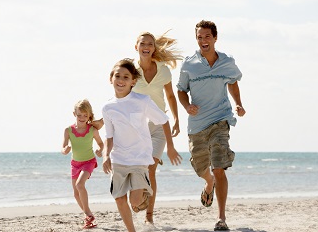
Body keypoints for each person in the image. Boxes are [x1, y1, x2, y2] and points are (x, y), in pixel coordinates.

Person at [176, 20, 246, 231]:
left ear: (215, 38)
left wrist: (239, 104)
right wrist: (187, 105)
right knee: (200, 168)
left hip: (220, 120)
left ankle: (221, 218)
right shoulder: (189, 64)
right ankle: (209, 184)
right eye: (200, 37)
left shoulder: (227, 62)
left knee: (219, 167)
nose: (203, 40)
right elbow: (180, 89)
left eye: (207, 36)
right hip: (197, 124)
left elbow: (233, 81)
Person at [102, 59, 182, 232]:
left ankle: (143, 194)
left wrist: (170, 146)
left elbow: (163, 121)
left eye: (125, 77)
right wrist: (106, 155)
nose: (121, 80)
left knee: (135, 203)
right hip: (119, 159)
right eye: (117, 76)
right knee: (118, 198)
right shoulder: (108, 107)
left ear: (133, 81)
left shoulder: (142, 101)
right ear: (111, 79)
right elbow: (109, 136)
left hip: (139, 159)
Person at [132, 31, 182, 224]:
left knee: (151, 167)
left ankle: (149, 216)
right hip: (136, 126)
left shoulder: (163, 70)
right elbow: (121, 97)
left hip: (159, 125)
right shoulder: (131, 70)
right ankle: (138, 198)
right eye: (143, 43)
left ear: (154, 48)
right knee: (139, 167)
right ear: (136, 47)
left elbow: (170, 96)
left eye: (150, 44)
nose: (146, 46)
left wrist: (176, 119)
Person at [61, 99, 104, 229]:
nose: (82, 118)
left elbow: (101, 143)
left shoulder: (92, 130)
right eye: (79, 115)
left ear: (89, 116)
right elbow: (63, 148)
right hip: (75, 164)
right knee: (75, 193)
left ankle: (88, 214)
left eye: (85, 115)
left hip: (89, 161)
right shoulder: (68, 130)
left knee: (80, 185)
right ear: (74, 114)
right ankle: (88, 216)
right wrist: (66, 149)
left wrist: (100, 150)